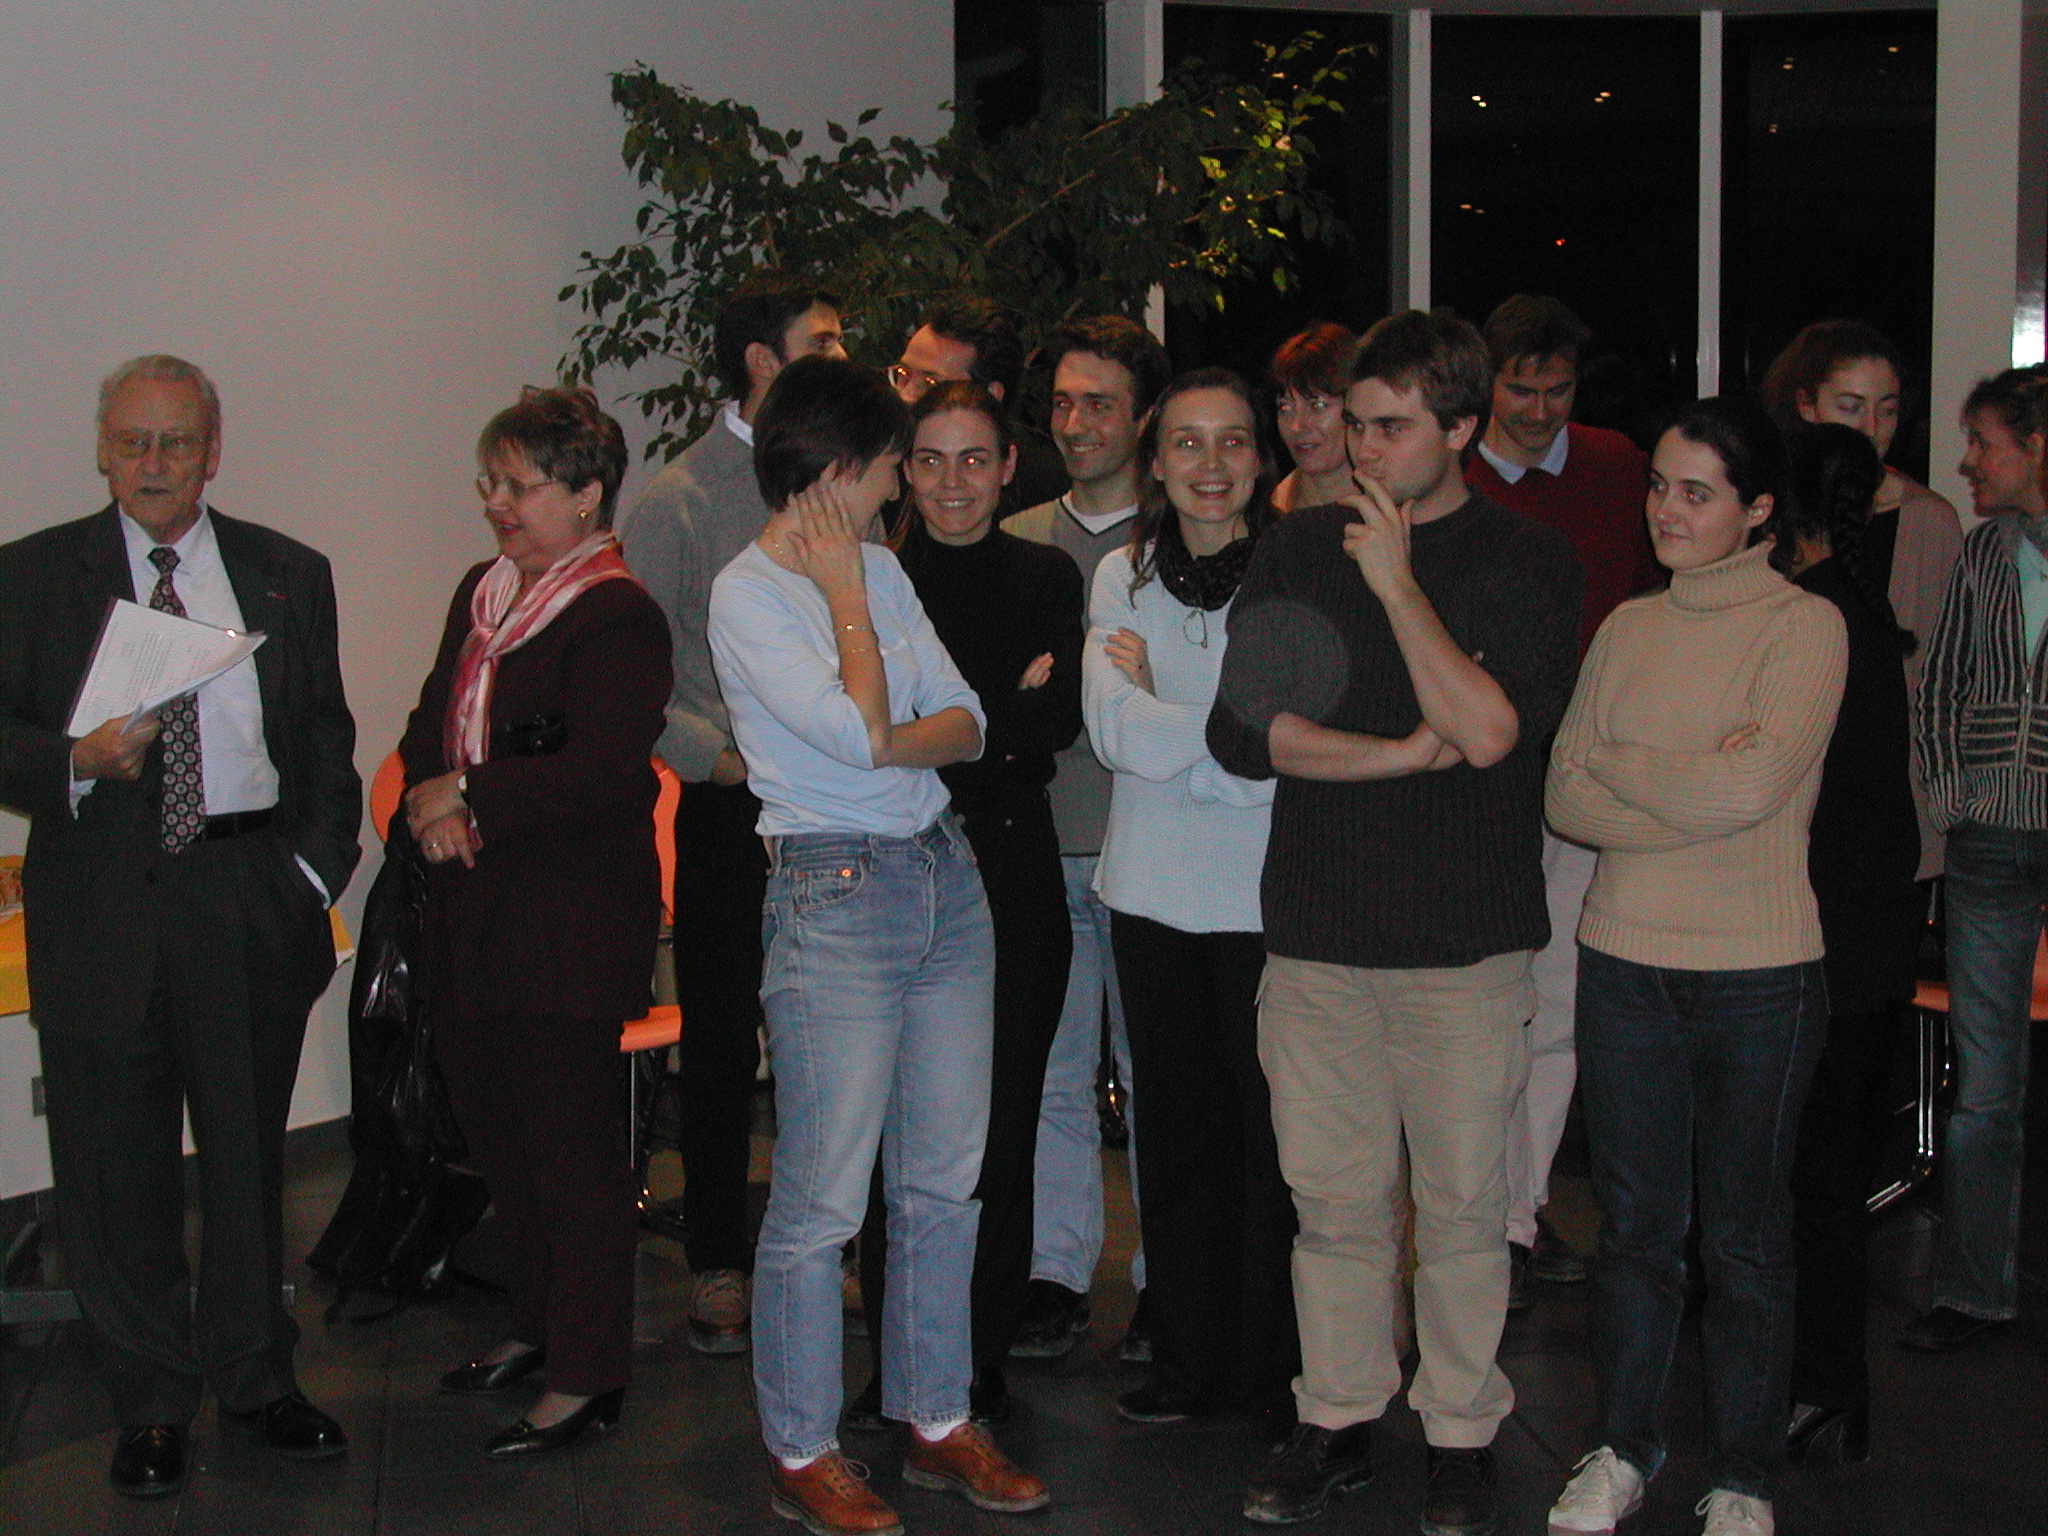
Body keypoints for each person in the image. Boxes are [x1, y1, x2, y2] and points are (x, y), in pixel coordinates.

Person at [1210, 311, 1582, 1536]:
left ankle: (1460, 1431)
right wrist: (1389, 757)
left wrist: (1394, 582)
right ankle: (1336, 1416)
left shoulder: (1525, 559)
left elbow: (1486, 730)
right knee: (1332, 1205)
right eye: (1350, 423)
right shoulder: (1293, 548)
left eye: (1388, 427)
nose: (1357, 449)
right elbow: (1244, 730)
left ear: (1462, 428)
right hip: (1317, 935)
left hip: (1462, 946)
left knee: (1466, 1209)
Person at [0, 355, 360, 1497]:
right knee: (116, 1170)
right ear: (102, 450)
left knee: (250, 1159)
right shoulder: (30, 576)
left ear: (213, 451)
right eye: (133, 442)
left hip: (244, 890)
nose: (154, 464)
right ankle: (151, 1402)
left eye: (176, 442)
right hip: (99, 898)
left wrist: (307, 878)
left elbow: (325, 742)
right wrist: (73, 760)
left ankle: (257, 1377)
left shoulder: (287, 573)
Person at [707, 355, 1047, 1535]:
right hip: (834, 888)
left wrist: (893, 733)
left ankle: (936, 1418)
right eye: (893, 462)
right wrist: (849, 600)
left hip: (942, 871)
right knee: (822, 1199)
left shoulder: (889, 568)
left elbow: (969, 721)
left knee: (943, 1180)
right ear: (837, 469)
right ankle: (801, 1447)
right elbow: (859, 734)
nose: (904, 482)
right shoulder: (750, 594)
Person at [1544, 399, 1846, 1536]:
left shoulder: (1805, 628)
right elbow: (1563, 793)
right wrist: (1677, 778)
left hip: (1760, 974)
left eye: (1695, 493)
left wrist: (1623, 765)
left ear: (1758, 510)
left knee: (1744, 1241)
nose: (1664, 510)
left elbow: (1749, 789)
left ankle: (1745, 1476)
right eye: (1659, 486)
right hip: (1623, 962)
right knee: (1632, 1231)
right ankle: (1622, 1450)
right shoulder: (1627, 629)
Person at [403, 386, 671, 1457]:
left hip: (568, 924)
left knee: (571, 1161)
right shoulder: (483, 594)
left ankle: (589, 1373)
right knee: (502, 1147)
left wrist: (468, 794)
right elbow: (430, 720)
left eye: (519, 487)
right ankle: (535, 1326)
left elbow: (606, 773)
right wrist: (428, 802)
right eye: (492, 483)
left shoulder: (618, 615)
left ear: (588, 493)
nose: (497, 505)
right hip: (473, 908)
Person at [617, 272, 846, 1354]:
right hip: (730, 808)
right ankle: (718, 1258)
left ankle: (825, 1246)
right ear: (763, 360)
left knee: (829, 1040)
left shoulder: (835, 480)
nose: (842, 358)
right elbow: (638, 670)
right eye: (824, 340)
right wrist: (712, 758)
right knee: (717, 1039)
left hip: (834, 804)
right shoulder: (679, 496)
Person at [850, 381, 1084, 1425]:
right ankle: (896, 1360)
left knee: (1000, 1127)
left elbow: (1053, 722)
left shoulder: (1045, 574)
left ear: (1007, 467)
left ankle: (975, 1358)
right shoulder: (871, 579)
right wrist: (991, 709)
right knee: (889, 1137)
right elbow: (862, 732)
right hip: (895, 864)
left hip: (1012, 871)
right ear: (904, 470)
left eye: (975, 459)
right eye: (931, 460)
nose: (953, 482)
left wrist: (937, 728)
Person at [1085, 367, 1296, 1425]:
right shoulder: (1119, 575)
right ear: (1155, 462)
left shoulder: (1298, 573)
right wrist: (1222, 733)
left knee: (1272, 1149)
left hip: (1269, 904)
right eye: (1186, 442)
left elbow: (1286, 751)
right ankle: (1187, 1363)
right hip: (1150, 897)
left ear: (1261, 456)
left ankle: (1270, 1376)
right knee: (1174, 1145)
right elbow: (1114, 733)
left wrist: (1167, 710)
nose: (1210, 464)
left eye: (1232, 441)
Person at [1464, 294, 1657, 1310]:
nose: (1539, 411)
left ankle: (1517, 1212)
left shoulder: (1617, 466)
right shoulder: (1451, 468)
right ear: (1486, 385)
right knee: (1484, 999)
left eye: (1557, 390)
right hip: (1475, 776)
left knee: (1560, 1003)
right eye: (1520, 389)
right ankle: (1471, 1205)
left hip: (1582, 773)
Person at [1002, 314, 1171, 1361]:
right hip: (1041, 845)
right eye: (1062, 403)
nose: (1074, 424)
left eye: (1099, 404)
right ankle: (1055, 1272)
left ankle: (1168, 1280)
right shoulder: (1016, 536)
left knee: (1155, 1074)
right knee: (1050, 1073)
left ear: (1143, 416)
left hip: (1152, 851)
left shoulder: (1182, 536)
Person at [1767, 424, 1922, 1465]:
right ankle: (1826, 1384)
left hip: (1819, 939)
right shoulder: (1860, 614)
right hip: (1866, 937)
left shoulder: (1811, 622)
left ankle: (1821, 1383)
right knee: (1822, 1174)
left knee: (1808, 1179)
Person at [1907, 365, 2048, 1353]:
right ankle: (1972, 1293)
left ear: (2036, 445)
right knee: (1985, 1086)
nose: (1968, 463)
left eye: (1984, 443)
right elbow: (1940, 685)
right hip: (1992, 843)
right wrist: (1954, 799)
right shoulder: (1983, 553)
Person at [1760, 318, 1965, 880]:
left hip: (1882, 811)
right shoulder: (1766, 514)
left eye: (1888, 410)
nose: (1872, 429)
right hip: (1778, 803)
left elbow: (1940, 681)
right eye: (1851, 407)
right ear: (1805, 405)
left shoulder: (1927, 521)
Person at [890, 296, 1070, 511]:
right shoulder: (883, 464)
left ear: (991, 395)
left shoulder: (1044, 487)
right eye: (903, 374)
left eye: (930, 384)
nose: (906, 396)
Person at [1267, 322, 1358, 514]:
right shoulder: (1272, 512)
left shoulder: (1398, 507)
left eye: (1317, 406)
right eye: (1285, 408)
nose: (1296, 426)